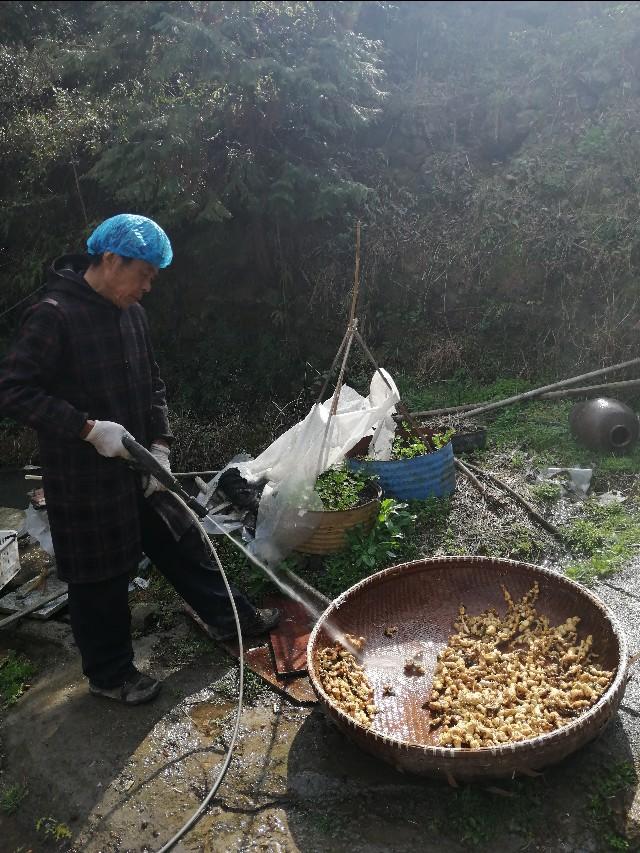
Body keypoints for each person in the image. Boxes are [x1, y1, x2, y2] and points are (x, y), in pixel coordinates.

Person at [0, 214, 279, 705]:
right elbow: (14, 391)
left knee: (183, 540)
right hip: (84, 479)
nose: (148, 286)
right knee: (100, 578)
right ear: (111, 260)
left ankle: (230, 618)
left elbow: (154, 385)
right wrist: (87, 429)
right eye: (144, 274)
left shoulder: (132, 315)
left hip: (140, 465)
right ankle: (110, 675)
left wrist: (161, 447)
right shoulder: (54, 315)